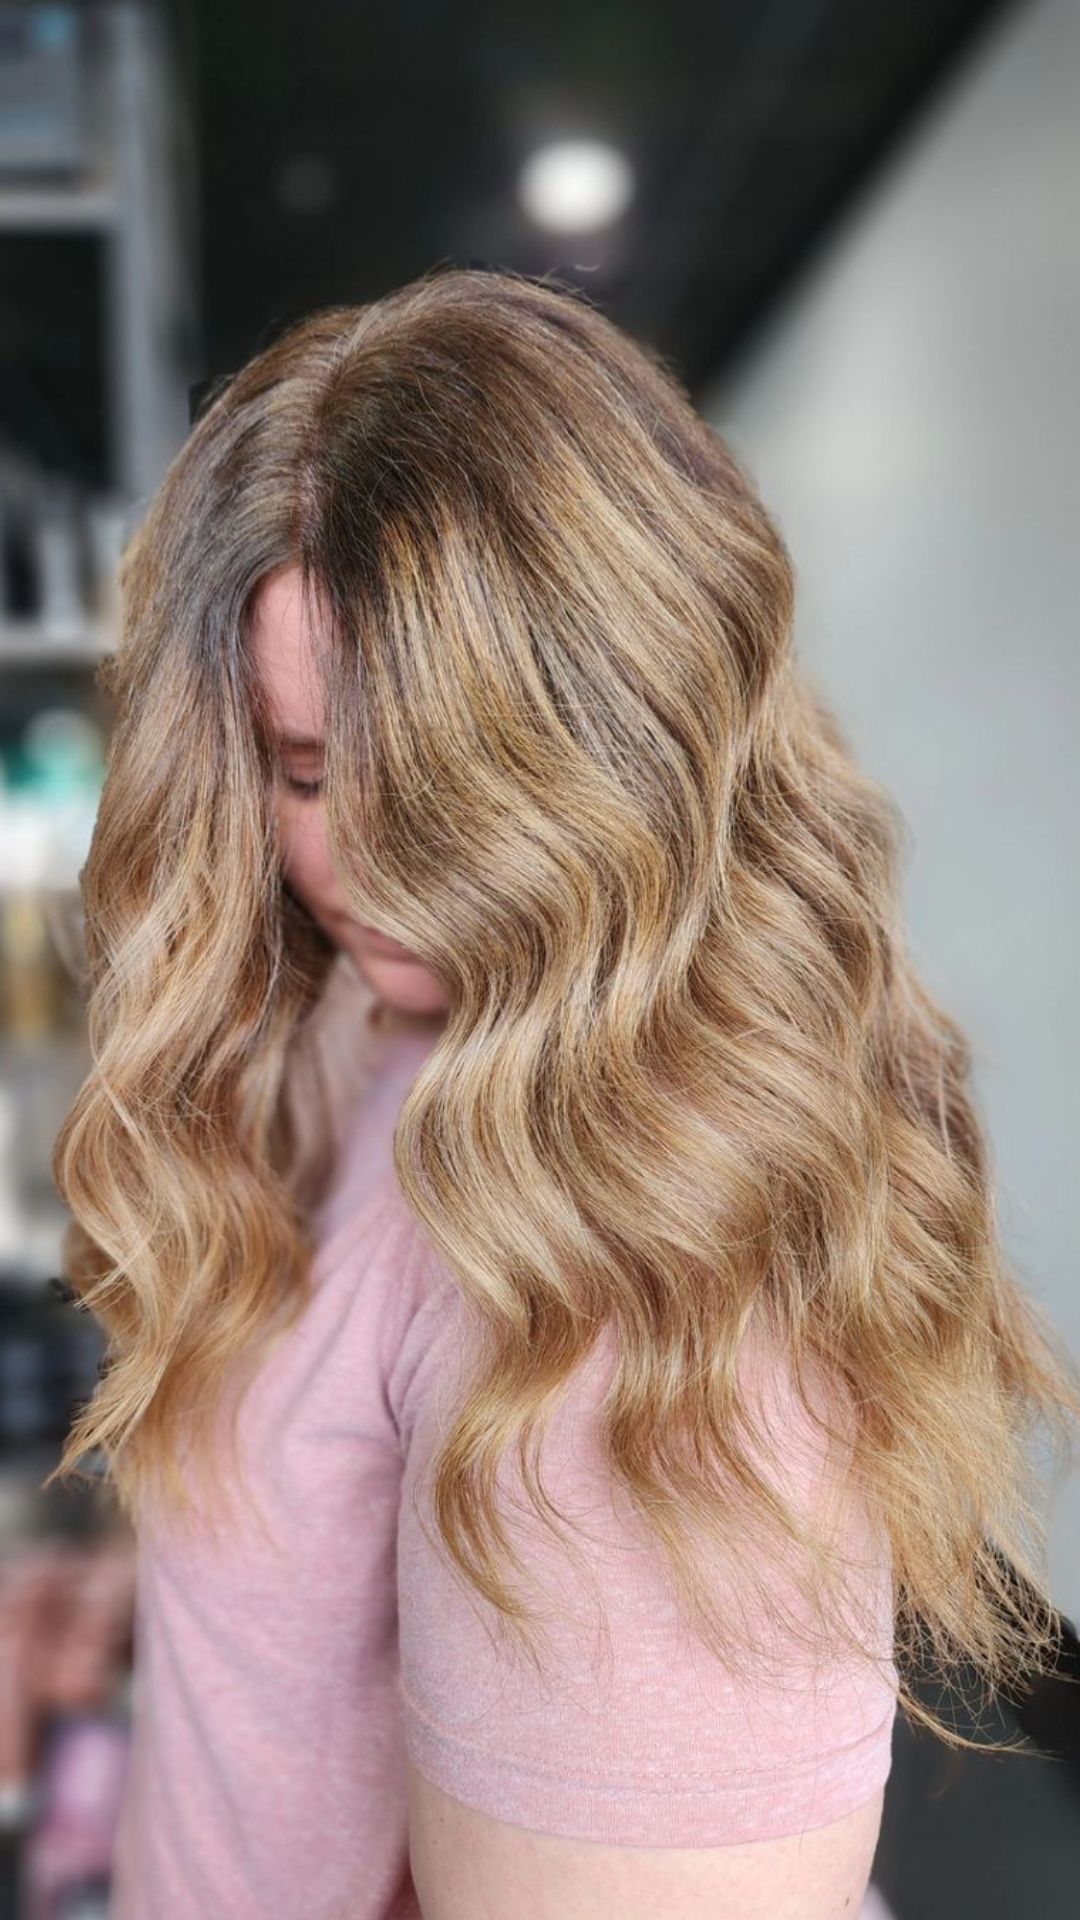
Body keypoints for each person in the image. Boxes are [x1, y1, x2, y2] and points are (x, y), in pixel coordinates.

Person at [46, 265, 1079, 1918]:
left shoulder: (639, 1321)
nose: (363, 867)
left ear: (622, 745)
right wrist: (181, 1624)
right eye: (305, 770)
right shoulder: (380, 1017)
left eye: (446, 785)